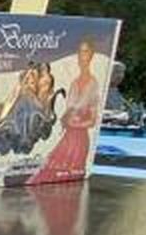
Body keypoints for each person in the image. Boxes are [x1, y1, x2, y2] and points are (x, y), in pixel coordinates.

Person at [30, 39, 101, 183]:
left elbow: (93, 120)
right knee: (46, 176)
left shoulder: (94, 84)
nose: (82, 56)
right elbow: (68, 111)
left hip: (79, 140)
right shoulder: (74, 83)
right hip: (67, 137)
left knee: (66, 179)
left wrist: (76, 124)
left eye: (86, 51)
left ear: (92, 55)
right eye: (80, 52)